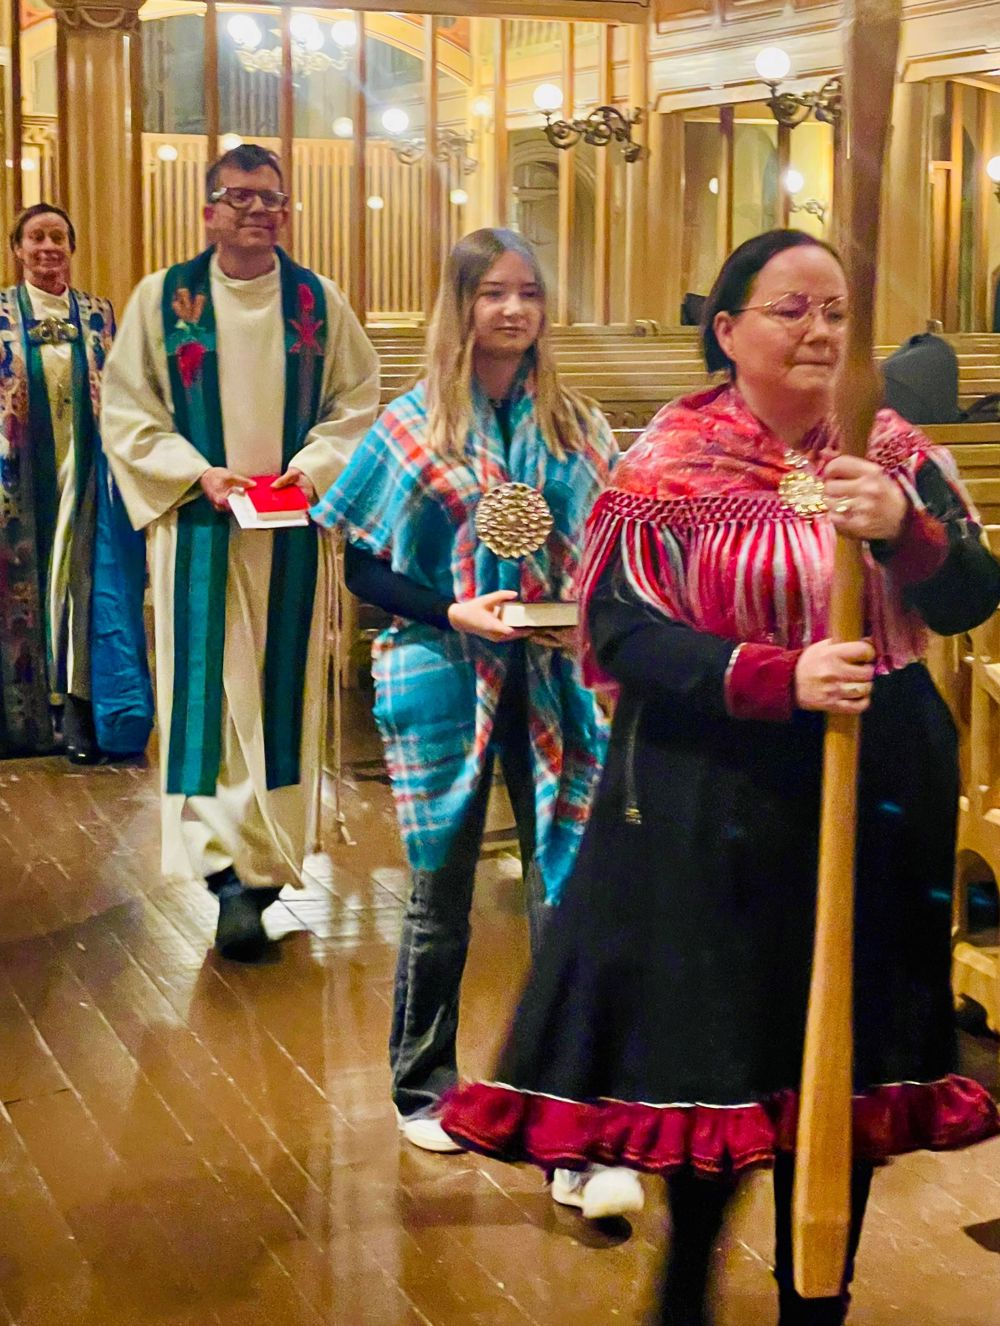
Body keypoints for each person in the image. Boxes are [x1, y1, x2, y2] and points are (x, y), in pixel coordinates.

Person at [442, 229, 1000, 1323]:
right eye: (790, 309)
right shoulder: (670, 461)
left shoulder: (892, 453)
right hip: (716, 791)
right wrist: (772, 675)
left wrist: (904, 533)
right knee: (720, 1058)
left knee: (842, 1065)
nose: (819, 331)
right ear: (729, 329)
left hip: (876, 780)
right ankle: (684, 1291)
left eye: (836, 310)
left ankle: (815, 1300)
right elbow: (615, 631)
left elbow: (969, 601)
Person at [312, 227, 642, 1218]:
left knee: (564, 891)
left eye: (527, 292)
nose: (511, 309)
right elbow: (363, 562)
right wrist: (450, 609)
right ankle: (424, 1085)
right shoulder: (410, 426)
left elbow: (615, 541)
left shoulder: (574, 424)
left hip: (552, 678)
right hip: (443, 670)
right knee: (438, 893)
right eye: (492, 292)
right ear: (460, 306)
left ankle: (569, 1114)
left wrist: (589, 616)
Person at [101, 144, 379, 961]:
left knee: (279, 693)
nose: (258, 212)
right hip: (197, 531)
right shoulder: (163, 299)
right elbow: (129, 410)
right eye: (240, 197)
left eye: (273, 200)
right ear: (209, 209)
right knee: (213, 705)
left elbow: (356, 403)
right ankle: (225, 876)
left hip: (288, 536)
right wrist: (196, 472)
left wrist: (314, 467)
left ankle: (264, 872)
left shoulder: (318, 304)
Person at [0, 203, 151, 764]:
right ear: (17, 249)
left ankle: (80, 713)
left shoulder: (98, 314)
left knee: (85, 595)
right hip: (18, 481)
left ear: (71, 247)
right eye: (35, 237)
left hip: (87, 478)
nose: (47, 248)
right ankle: (22, 722)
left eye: (58, 237)